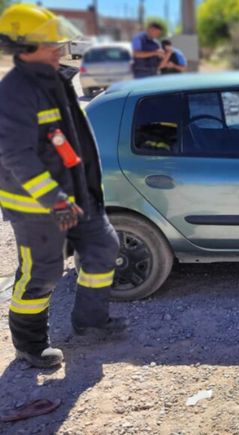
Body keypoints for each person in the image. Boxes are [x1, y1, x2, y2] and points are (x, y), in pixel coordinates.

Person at [0, 4, 127, 368]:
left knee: (103, 247)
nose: (59, 49)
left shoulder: (54, 78)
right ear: (25, 47)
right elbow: (17, 156)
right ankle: (30, 344)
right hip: (38, 205)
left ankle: (90, 324)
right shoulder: (15, 92)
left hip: (77, 194)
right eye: (51, 44)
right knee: (42, 272)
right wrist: (55, 200)